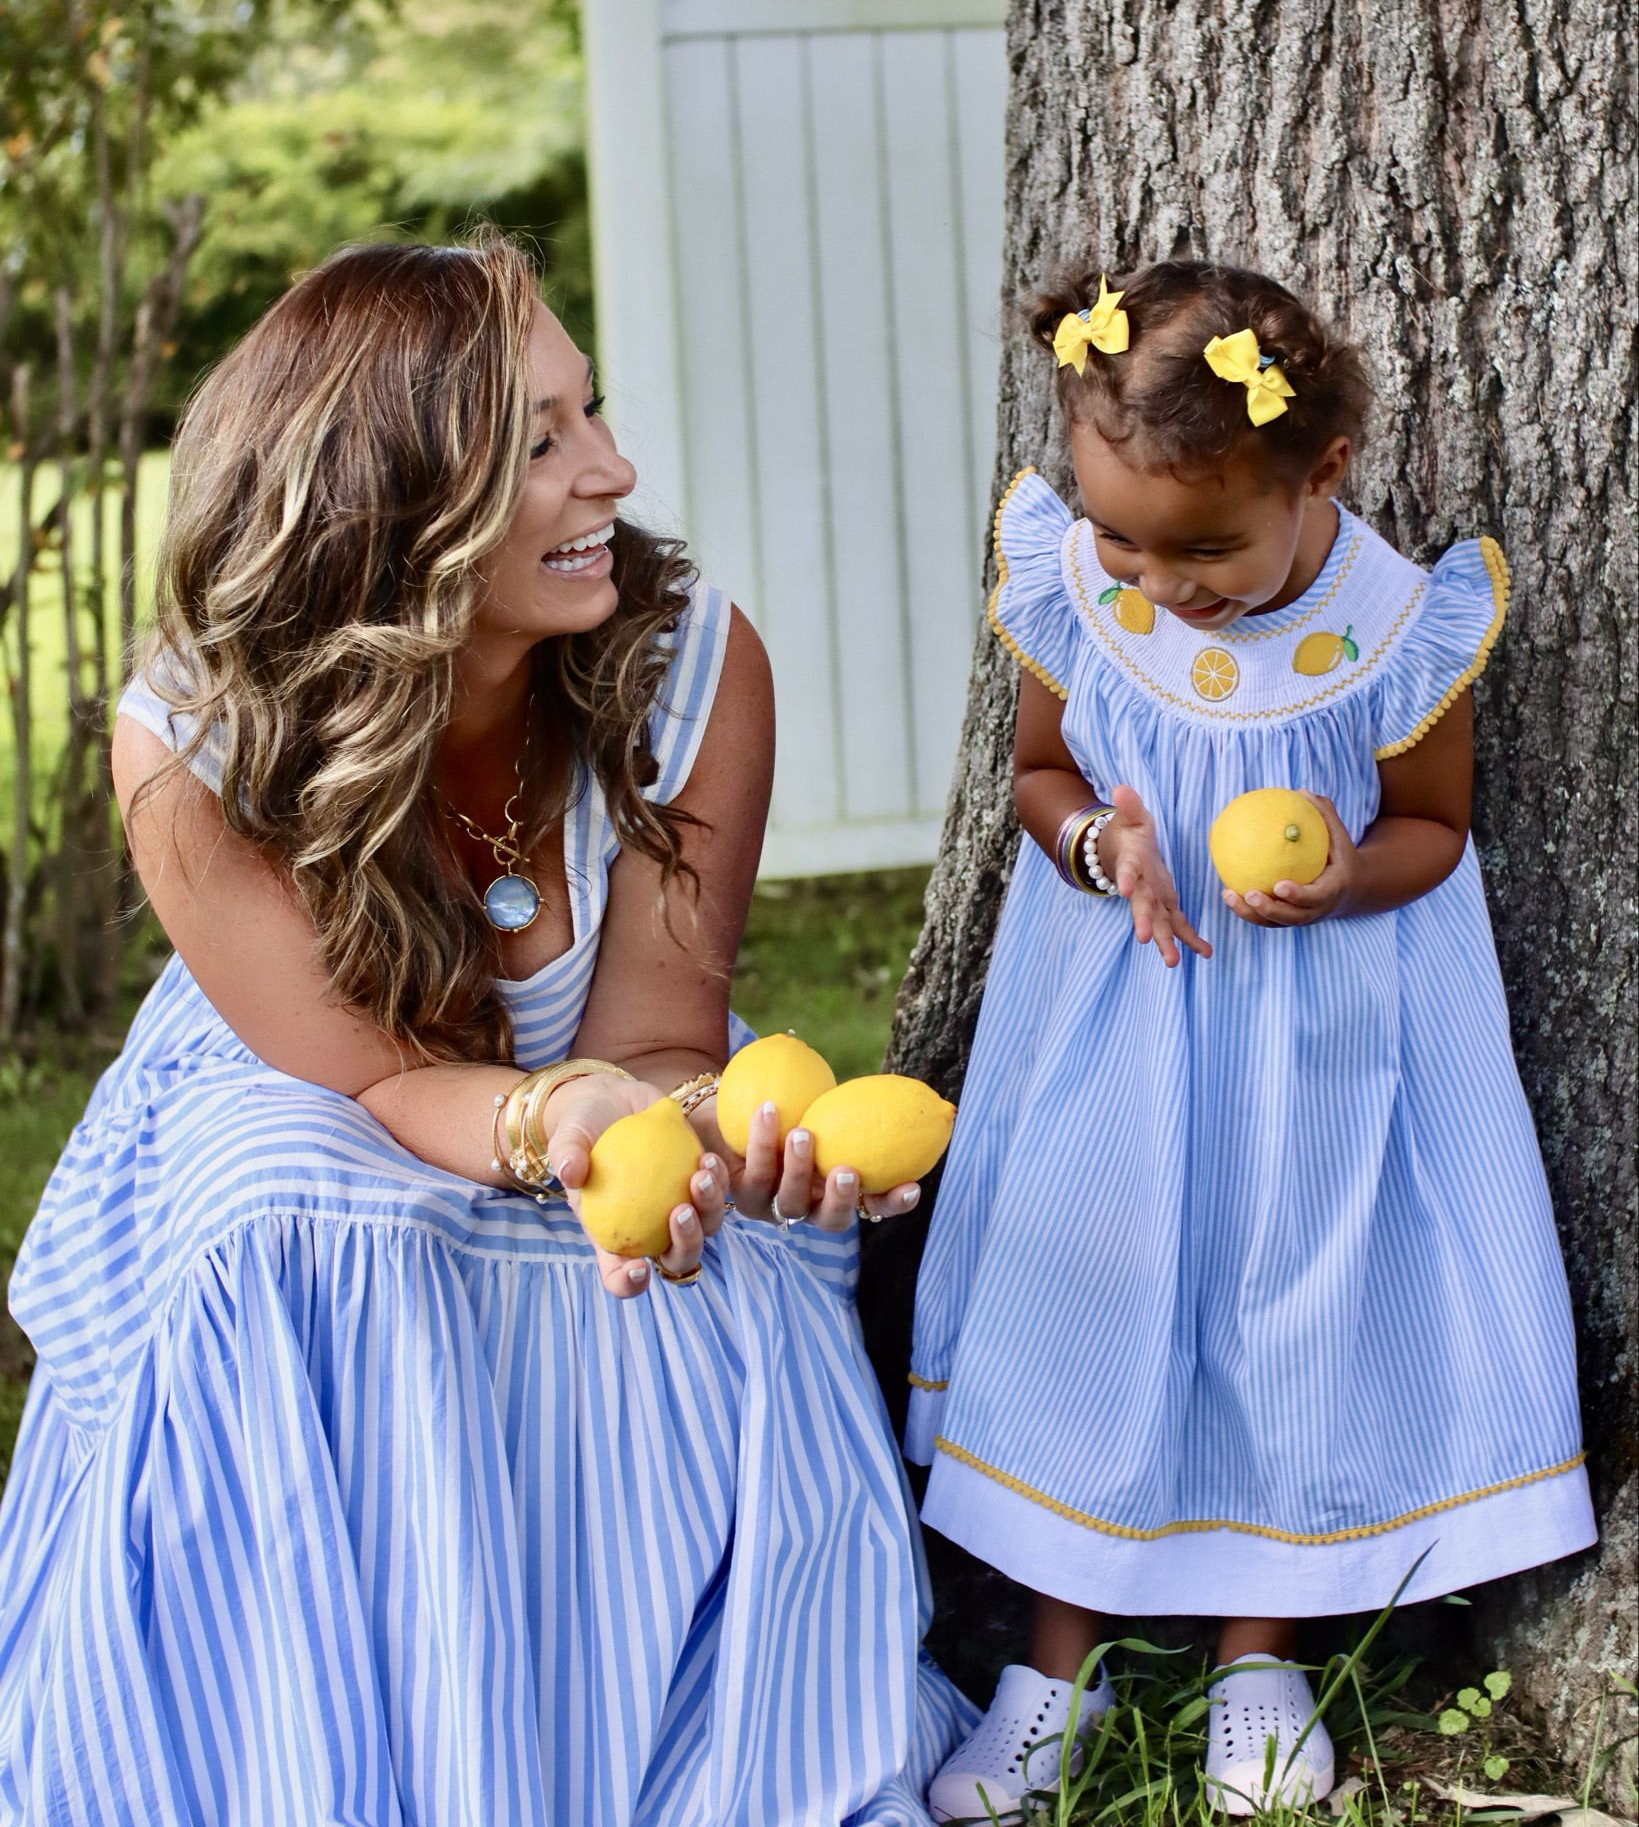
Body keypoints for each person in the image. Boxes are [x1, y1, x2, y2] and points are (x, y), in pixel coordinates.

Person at [0, 237, 974, 1824]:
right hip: (303, 1100)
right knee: (304, 1218)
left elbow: (661, 1032)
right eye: (539, 444)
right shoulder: (193, 738)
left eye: (594, 415)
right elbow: (365, 1074)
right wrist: (551, 1124)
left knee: (718, 1265)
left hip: (570, 1098)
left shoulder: (691, 672)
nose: (615, 471)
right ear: (388, 493)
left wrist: (682, 1127)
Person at [909, 261, 1595, 1824]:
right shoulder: (1077, 593)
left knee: (1295, 1306)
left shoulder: (1395, 628)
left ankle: (1259, 1659)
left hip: (1315, 1042)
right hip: (1117, 1027)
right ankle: (1052, 1670)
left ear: (1323, 469)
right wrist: (1100, 845)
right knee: (1092, 1300)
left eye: (1207, 542)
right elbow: (1035, 777)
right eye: (1124, 537)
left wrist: (1347, 873)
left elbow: (1434, 829)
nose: (1162, 580)